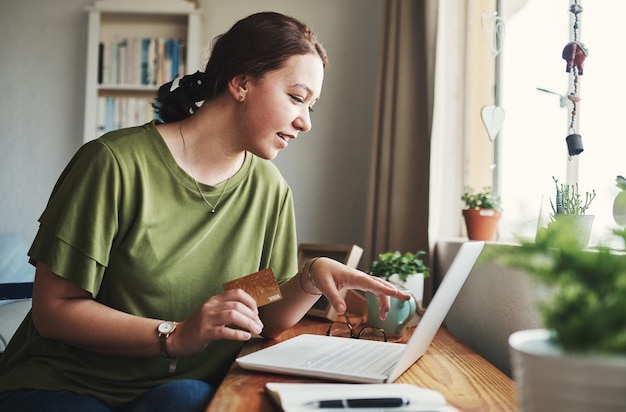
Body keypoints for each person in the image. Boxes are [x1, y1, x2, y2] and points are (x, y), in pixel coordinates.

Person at [0, 11, 409, 412]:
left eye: (311, 107)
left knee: (189, 400)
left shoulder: (269, 190)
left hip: (179, 389)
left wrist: (311, 277)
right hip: (70, 382)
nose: (305, 122)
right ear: (242, 83)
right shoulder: (113, 164)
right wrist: (174, 335)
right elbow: (54, 310)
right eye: (297, 98)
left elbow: (261, 315)